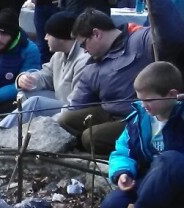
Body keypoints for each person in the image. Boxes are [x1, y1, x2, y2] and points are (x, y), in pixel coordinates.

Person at [58, 2, 184, 155]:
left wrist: (157, 5)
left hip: (139, 114)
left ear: (97, 34)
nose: (84, 52)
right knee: (65, 121)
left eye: (84, 45)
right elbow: (78, 103)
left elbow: (169, 36)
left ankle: (132, 152)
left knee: (91, 137)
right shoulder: (92, 66)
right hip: (107, 112)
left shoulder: (139, 39)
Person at [91, 62, 184, 208]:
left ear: (172, 95)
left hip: (178, 180)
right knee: (112, 206)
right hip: (152, 182)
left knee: (168, 160)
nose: (143, 105)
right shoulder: (139, 118)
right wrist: (122, 173)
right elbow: (123, 150)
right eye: (140, 99)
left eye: (148, 100)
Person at [0, 11, 88, 143]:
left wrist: (46, 125)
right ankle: (11, 136)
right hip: (61, 101)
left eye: (49, 33)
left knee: (35, 102)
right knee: (25, 92)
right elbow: (45, 75)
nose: (45, 38)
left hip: (73, 112)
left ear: (61, 37)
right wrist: (25, 78)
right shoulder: (59, 55)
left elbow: (77, 105)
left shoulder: (83, 61)